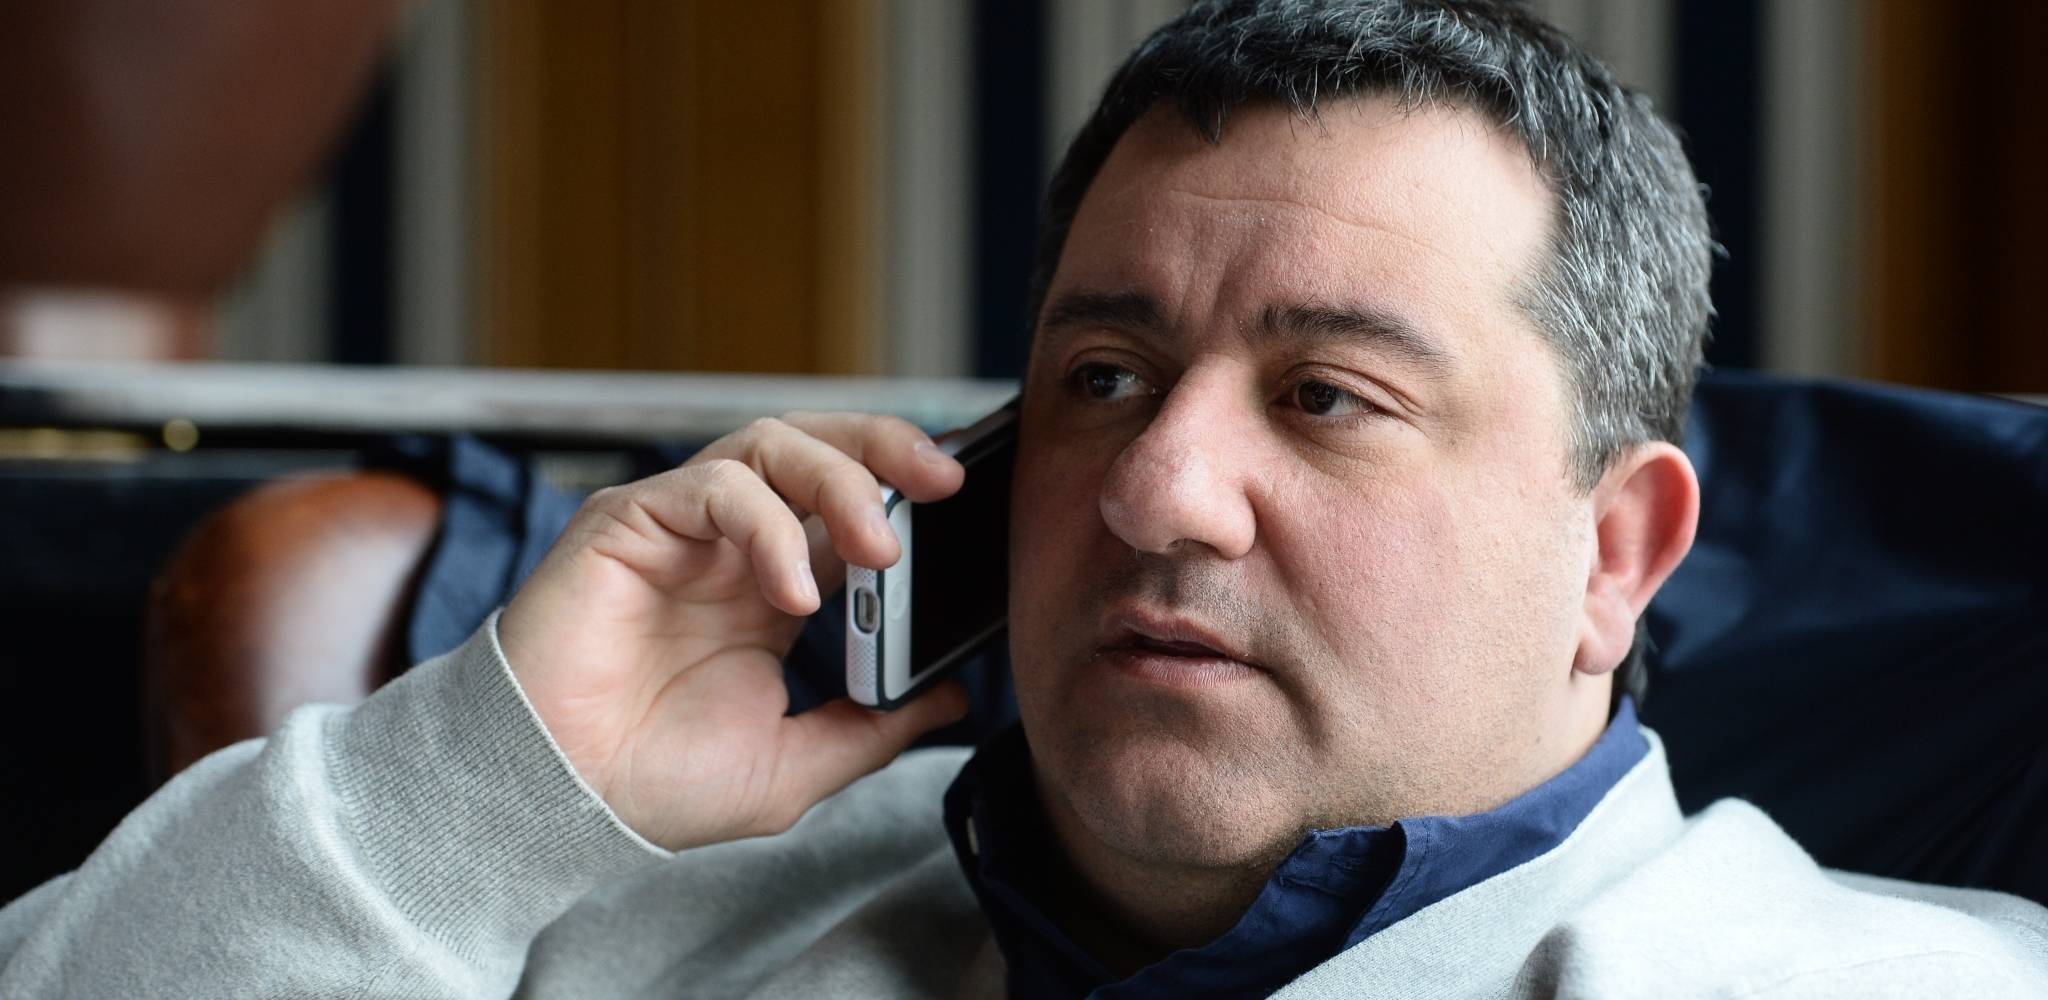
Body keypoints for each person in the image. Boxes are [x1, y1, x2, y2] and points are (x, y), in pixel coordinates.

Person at [5, 0, 2046, 995]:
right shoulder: (619, 919)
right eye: (1102, 378)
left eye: (1327, 397)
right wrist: (496, 784)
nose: (1158, 488)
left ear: (1613, 553)